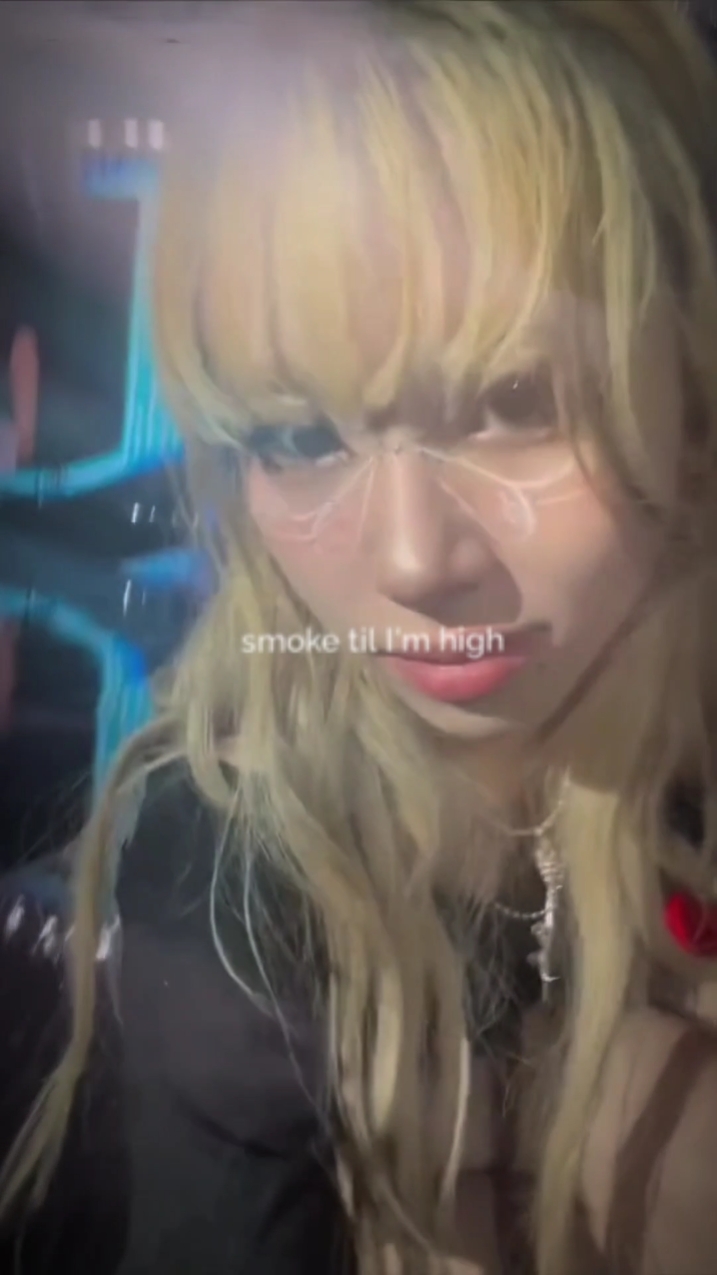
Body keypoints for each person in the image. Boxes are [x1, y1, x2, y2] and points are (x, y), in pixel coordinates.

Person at [2, 1, 717, 1271]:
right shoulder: (227, 865)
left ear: (695, 384)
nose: (410, 562)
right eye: (297, 435)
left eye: (515, 398)